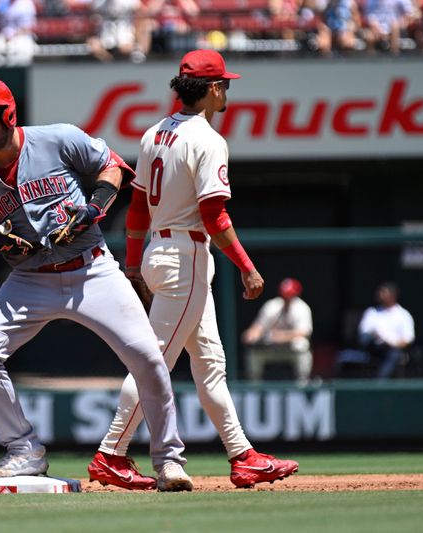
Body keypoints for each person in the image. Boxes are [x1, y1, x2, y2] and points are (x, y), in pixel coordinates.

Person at [0, 77, 193, 492]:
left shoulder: (58, 138)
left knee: (148, 358)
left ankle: (169, 461)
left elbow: (114, 166)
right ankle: (23, 450)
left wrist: (94, 207)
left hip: (92, 270)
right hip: (29, 278)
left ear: (9, 114)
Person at [86, 50, 299, 491]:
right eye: (225, 84)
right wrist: (247, 267)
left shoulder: (154, 134)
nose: (228, 91)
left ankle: (243, 456)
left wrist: (132, 261)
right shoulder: (207, 139)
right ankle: (111, 452)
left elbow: (138, 207)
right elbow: (214, 215)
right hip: (187, 256)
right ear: (214, 89)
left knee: (210, 364)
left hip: (160, 252)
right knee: (153, 364)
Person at [242, 277, 313, 384]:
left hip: (291, 348)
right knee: (254, 351)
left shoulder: (302, 308)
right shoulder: (272, 305)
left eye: (290, 295)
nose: (287, 298)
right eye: (285, 295)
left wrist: (281, 336)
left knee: (302, 344)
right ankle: (255, 386)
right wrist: (252, 334)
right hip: (272, 347)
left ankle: (302, 384)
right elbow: (258, 327)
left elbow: (304, 332)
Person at [338, 282, 414, 379]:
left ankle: (379, 384)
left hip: (392, 349)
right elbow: (363, 335)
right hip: (372, 348)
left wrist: (391, 341)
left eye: (384, 292)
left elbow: (407, 339)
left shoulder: (403, 315)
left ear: (392, 295)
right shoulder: (372, 312)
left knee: (394, 354)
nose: (380, 295)